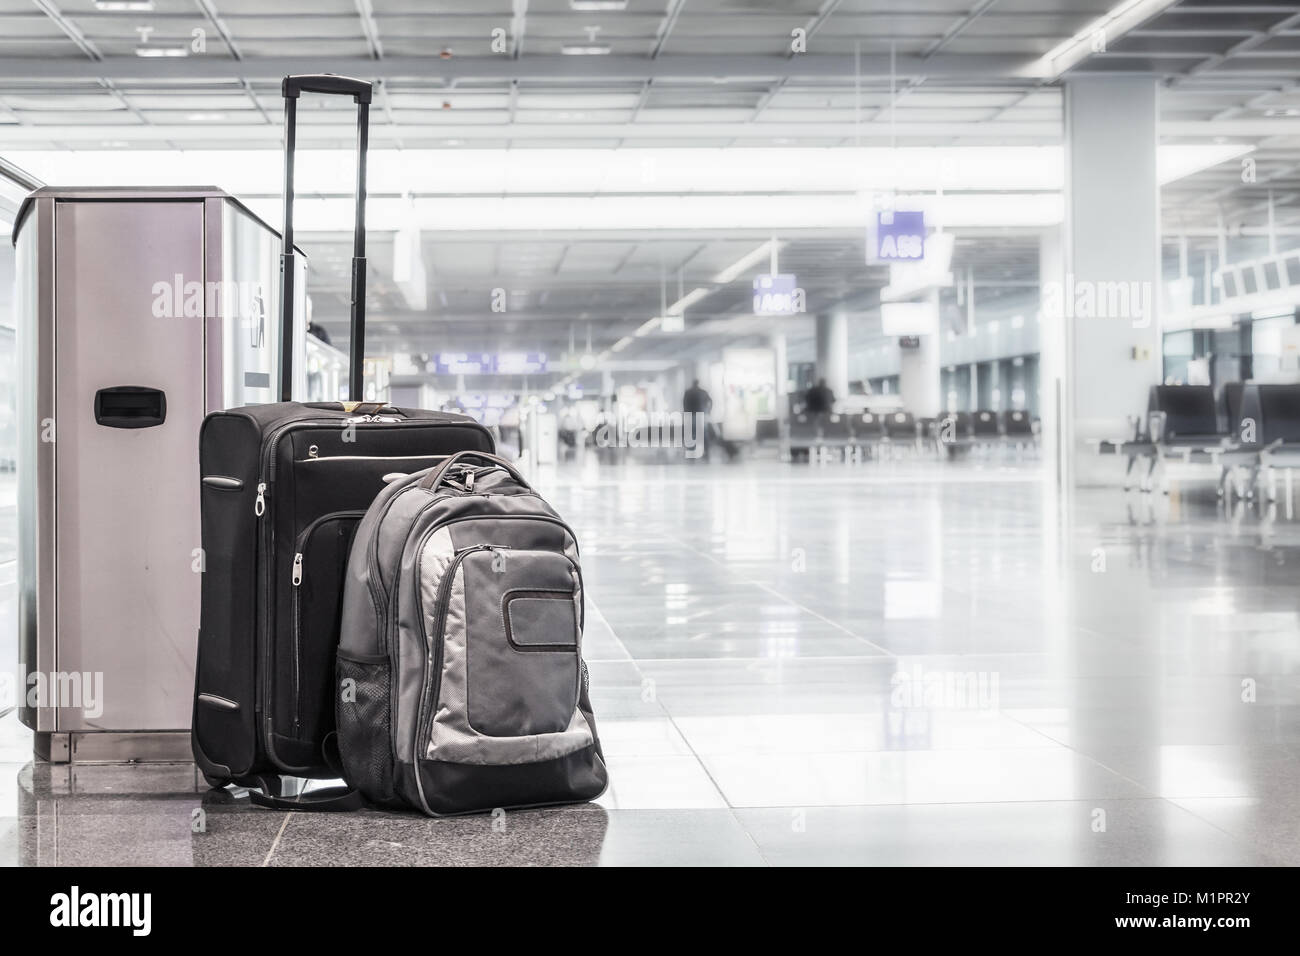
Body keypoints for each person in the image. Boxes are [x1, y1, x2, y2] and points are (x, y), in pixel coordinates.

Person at [683, 379, 713, 460]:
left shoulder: (688, 392)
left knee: (692, 434)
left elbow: (684, 404)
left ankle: (691, 452)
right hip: (701, 415)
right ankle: (706, 451)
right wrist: (708, 411)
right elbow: (710, 401)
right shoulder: (702, 392)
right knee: (703, 435)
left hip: (691, 415)